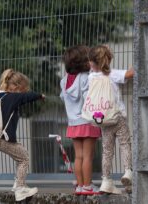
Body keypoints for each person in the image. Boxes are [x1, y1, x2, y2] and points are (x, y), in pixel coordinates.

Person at [88, 45, 134, 194]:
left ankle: (106, 180)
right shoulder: (113, 74)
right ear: (107, 60)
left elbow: (95, 69)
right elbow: (130, 74)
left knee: (107, 151)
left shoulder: (91, 77)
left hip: (102, 119)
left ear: (92, 63)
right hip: (118, 116)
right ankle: (128, 171)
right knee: (125, 144)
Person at [0, 69, 44, 201]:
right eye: (24, 89)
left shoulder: (1, 96)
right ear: (17, 87)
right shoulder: (12, 96)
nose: (25, 92)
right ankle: (20, 188)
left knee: (20, 154)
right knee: (24, 158)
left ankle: (18, 183)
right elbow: (27, 97)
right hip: (2, 138)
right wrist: (40, 95)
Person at [60, 45, 102, 195]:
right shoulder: (85, 78)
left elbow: (62, 97)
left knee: (78, 156)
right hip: (87, 122)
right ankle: (88, 186)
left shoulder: (64, 81)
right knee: (88, 157)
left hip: (73, 124)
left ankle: (79, 186)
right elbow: (88, 99)